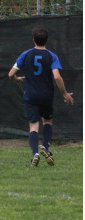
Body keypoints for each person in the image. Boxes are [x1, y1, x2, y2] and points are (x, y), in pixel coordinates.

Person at [8, 27, 74, 167]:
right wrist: (65, 94)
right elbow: (56, 76)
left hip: (30, 95)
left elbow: (10, 74)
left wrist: (16, 79)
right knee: (47, 121)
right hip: (46, 95)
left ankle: (35, 153)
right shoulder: (51, 56)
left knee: (33, 126)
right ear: (47, 40)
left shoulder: (26, 54)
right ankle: (45, 147)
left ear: (33, 40)